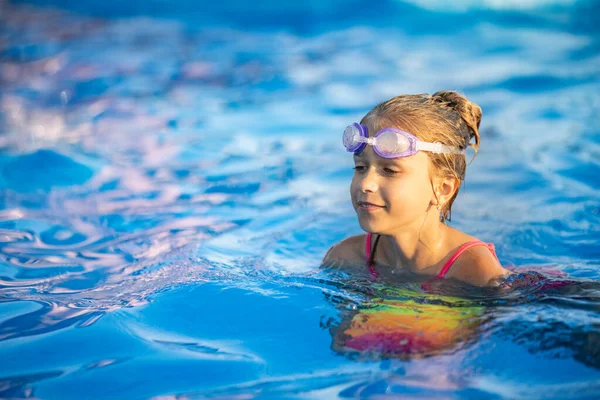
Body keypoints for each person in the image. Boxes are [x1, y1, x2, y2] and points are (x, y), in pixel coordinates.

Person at [322, 91, 510, 288]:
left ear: (443, 189)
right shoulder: (345, 258)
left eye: (389, 170)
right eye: (360, 167)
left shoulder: (475, 270)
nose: (366, 184)